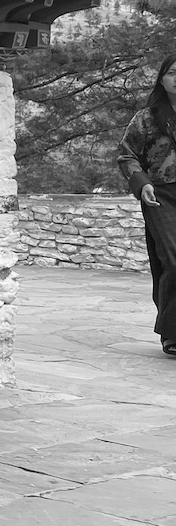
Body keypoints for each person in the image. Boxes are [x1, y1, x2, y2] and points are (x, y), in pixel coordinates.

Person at [117, 53, 176, 357]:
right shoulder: (148, 117)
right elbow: (126, 154)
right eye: (172, 73)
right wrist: (143, 185)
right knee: (172, 259)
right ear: (162, 79)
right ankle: (171, 332)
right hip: (161, 196)